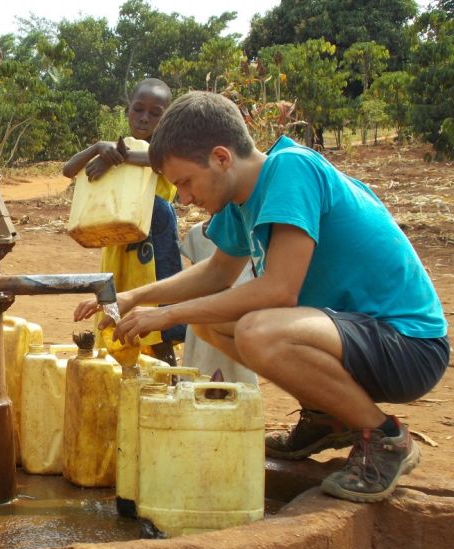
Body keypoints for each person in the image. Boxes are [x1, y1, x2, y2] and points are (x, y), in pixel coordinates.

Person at [102, 91, 449, 503]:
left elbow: (278, 290)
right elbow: (216, 273)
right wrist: (132, 298)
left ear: (221, 158)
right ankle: (328, 418)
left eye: (185, 182)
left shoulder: (291, 170)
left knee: (258, 330)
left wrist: (166, 315)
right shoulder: (238, 201)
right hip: (356, 336)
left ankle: (387, 438)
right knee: (210, 321)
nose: (186, 198)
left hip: (409, 345)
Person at [68, 78, 184, 366]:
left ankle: (168, 387)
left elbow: (159, 161)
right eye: (138, 109)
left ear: (166, 118)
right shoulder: (112, 150)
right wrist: (98, 147)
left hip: (151, 260)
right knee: (114, 340)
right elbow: (68, 169)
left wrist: (118, 157)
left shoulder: (165, 152)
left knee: (155, 339)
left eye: (155, 113)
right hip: (116, 255)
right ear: (128, 110)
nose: (145, 118)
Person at [179, 220, 258, 385]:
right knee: (202, 366)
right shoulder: (196, 233)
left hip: (237, 307)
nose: (186, 201)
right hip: (203, 309)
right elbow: (200, 275)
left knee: (238, 371)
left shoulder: (246, 229)